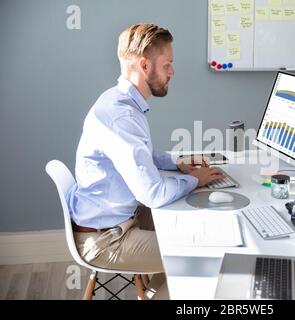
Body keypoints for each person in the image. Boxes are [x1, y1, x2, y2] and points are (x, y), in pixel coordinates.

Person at [66, 23, 224, 299]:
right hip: (106, 240)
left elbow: (140, 154)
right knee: (203, 257)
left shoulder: (119, 102)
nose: (172, 71)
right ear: (144, 65)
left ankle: (158, 291)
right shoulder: (122, 117)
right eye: (167, 65)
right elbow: (152, 193)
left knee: (192, 229)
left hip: (115, 223)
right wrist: (194, 179)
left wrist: (178, 163)